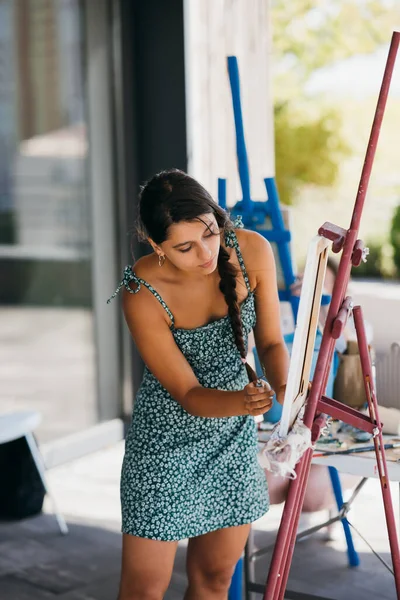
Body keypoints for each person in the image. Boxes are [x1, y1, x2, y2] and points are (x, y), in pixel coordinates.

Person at [109, 169, 290, 600]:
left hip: (232, 438)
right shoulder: (141, 291)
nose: (206, 253)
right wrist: (245, 403)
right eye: (185, 247)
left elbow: (269, 341)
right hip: (164, 444)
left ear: (217, 216)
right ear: (156, 246)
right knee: (143, 591)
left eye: (210, 233)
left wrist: (288, 391)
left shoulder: (253, 250)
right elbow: (189, 394)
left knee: (214, 581)